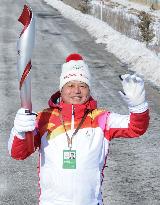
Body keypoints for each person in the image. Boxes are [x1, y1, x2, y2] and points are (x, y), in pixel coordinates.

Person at [8, 53, 149, 205]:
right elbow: (18, 153)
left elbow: (136, 127)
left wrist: (138, 106)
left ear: (89, 90)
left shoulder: (102, 119)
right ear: (61, 90)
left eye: (82, 85)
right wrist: (19, 131)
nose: (76, 91)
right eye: (70, 85)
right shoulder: (44, 118)